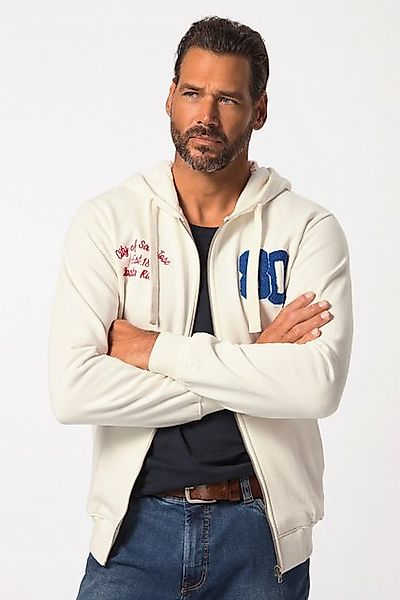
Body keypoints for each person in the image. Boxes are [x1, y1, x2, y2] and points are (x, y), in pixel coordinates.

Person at [48, 15, 353, 600]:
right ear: (170, 97)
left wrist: (153, 350)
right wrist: (257, 360)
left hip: (260, 536)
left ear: (259, 110)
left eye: (227, 99)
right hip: (135, 531)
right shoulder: (108, 222)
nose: (205, 116)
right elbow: (74, 391)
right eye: (192, 93)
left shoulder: (308, 230)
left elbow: (316, 386)